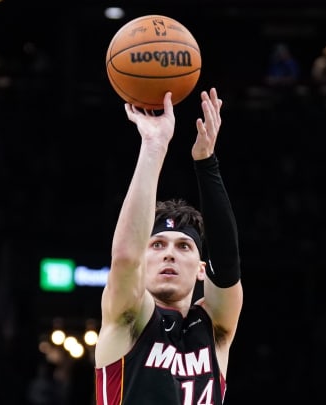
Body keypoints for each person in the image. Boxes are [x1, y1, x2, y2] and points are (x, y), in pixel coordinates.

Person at [94, 88, 243, 405]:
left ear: (202, 270)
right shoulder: (129, 320)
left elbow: (227, 268)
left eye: (184, 247)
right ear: (144, 263)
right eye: (157, 244)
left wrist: (207, 163)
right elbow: (124, 258)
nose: (169, 253)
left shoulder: (214, 328)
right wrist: (154, 146)